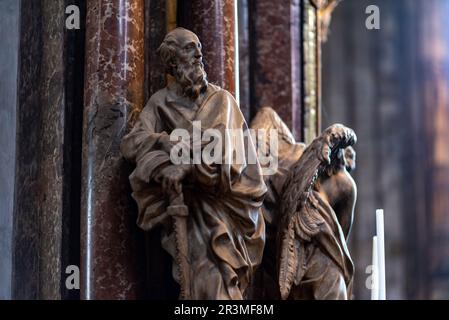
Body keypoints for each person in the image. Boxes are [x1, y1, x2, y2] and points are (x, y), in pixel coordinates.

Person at [120, 28, 267, 299]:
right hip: (191, 212)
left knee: (218, 285)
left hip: (226, 213)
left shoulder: (222, 100)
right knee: (201, 284)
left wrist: (186, 167)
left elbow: (229, 156)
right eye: (190, 49)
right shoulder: (160, 103)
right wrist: (166, 142)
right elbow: (130, 144)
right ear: (172, 62)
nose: (199, 54)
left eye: (199, 47)